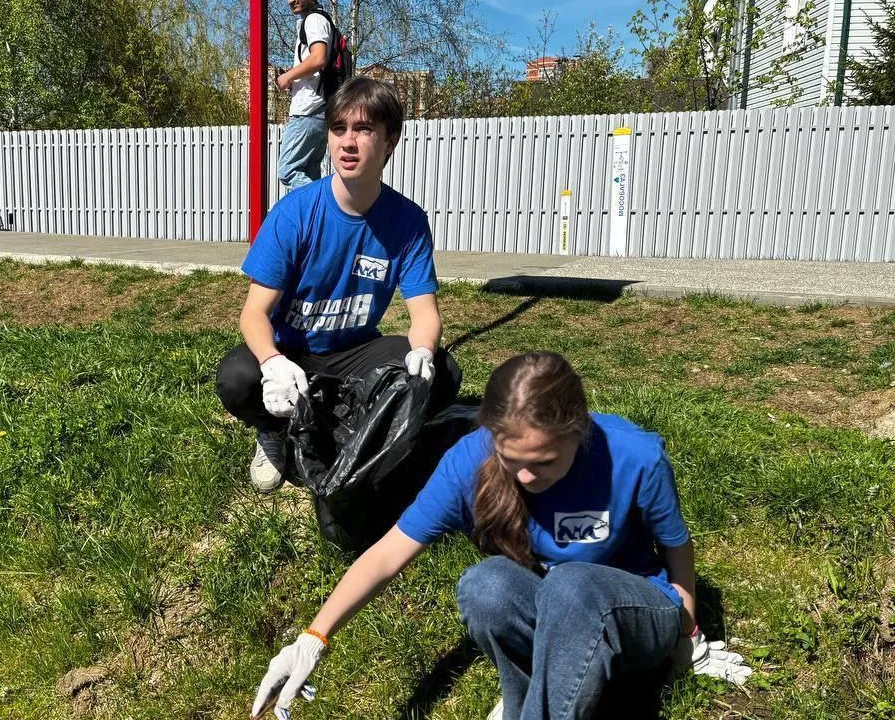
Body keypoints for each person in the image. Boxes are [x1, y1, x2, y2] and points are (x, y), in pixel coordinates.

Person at [250, 352, 753, 720]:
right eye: (513, 463)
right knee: (484, 586)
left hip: (635, 614)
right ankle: (530, 698)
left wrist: (689, 634)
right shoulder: (470, 460)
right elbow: (387, 555)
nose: (527, 479)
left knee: (572, 584)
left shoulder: (634, 456)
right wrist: (313, 637)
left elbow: (676, 547)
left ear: (579, 430)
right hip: (558, 615)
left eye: (544, 463)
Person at [215, 77, 462, 494]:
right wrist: (273, 363)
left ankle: (362, 436)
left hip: (353, 351)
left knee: (442, 373)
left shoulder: (407, 221)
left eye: (364, 130)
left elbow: (424, 313)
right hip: (293, 349)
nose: (348, 142)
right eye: (339, 129)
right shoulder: (294, 213)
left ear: (390, 142)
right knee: (238, 377)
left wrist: (422, 350)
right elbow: (253, 313)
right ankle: (272, 434)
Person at [275, 0, 331, 189]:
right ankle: (314, 218)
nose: (290, 1)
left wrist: (287, 76)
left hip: (309, 110)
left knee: (288, 170)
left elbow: (318, 58)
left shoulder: (314, 19)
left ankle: (323, 206)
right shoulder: (316, 19)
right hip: (319, 109)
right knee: (309, 172)